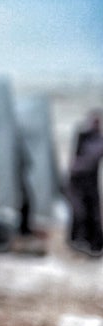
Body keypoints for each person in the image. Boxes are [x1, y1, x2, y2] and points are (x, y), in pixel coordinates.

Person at [67, 109, 103, 256]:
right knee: (79, 213)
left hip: (89, 181)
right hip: (77, 180)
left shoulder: (99, 141)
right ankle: (78, 242)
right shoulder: (83, 137)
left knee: (93, 213)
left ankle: (94, 245)